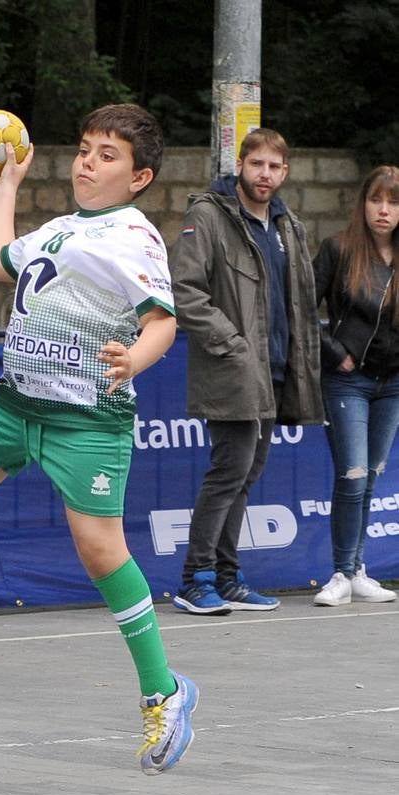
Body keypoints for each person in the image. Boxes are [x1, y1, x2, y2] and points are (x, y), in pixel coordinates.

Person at [0, 104, 200, 775]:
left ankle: (165, 691)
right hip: (17, 399)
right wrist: (6, 187)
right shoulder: (59, 229)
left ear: (139, 178)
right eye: (83, 148)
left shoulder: (133, 237)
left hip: (87, 415)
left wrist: (136, 358)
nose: (87, 161)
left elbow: (162, 320)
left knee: (100, 551)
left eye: (107, 154)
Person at [170, 128, 323, 615]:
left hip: (276, 371)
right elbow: (185, 292)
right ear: (241, 164)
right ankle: (197, 580)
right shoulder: (209, 216)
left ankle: (228, 576)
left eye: (275, 166)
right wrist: (232, 345)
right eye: (257, 164)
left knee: (246, 474)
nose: (265, 174)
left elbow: (297, 301)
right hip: (232, 370)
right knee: (229, 471)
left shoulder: (288, 226)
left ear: (286, 171)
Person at [312, 165, 399, 606]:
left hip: (393, 384)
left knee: (371, 479)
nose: (383, 210)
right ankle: (341, 574)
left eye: (393, 202)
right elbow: (302, 311)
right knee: (352, 475)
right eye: (376, 200)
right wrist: (335, 352)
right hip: (348, 382)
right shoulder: (339, 249)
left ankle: (359, 569)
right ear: (363, 203)